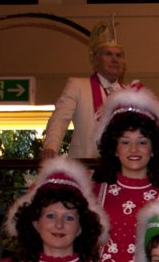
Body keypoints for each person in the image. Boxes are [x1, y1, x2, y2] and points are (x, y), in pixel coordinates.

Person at [91, 88, 159, 262]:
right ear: (114, 149)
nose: (134, 149)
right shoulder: (94, 194)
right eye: (125, 142)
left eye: (142, 142)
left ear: (153, 149)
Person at [42, 18, 131, 159]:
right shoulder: (77, 86)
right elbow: (60, 119)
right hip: (85, 165)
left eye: (118, 55)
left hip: (120, 167)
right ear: (95, 60)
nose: (115, 59)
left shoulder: (131, 94)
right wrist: (50, 147)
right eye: (108, 54)